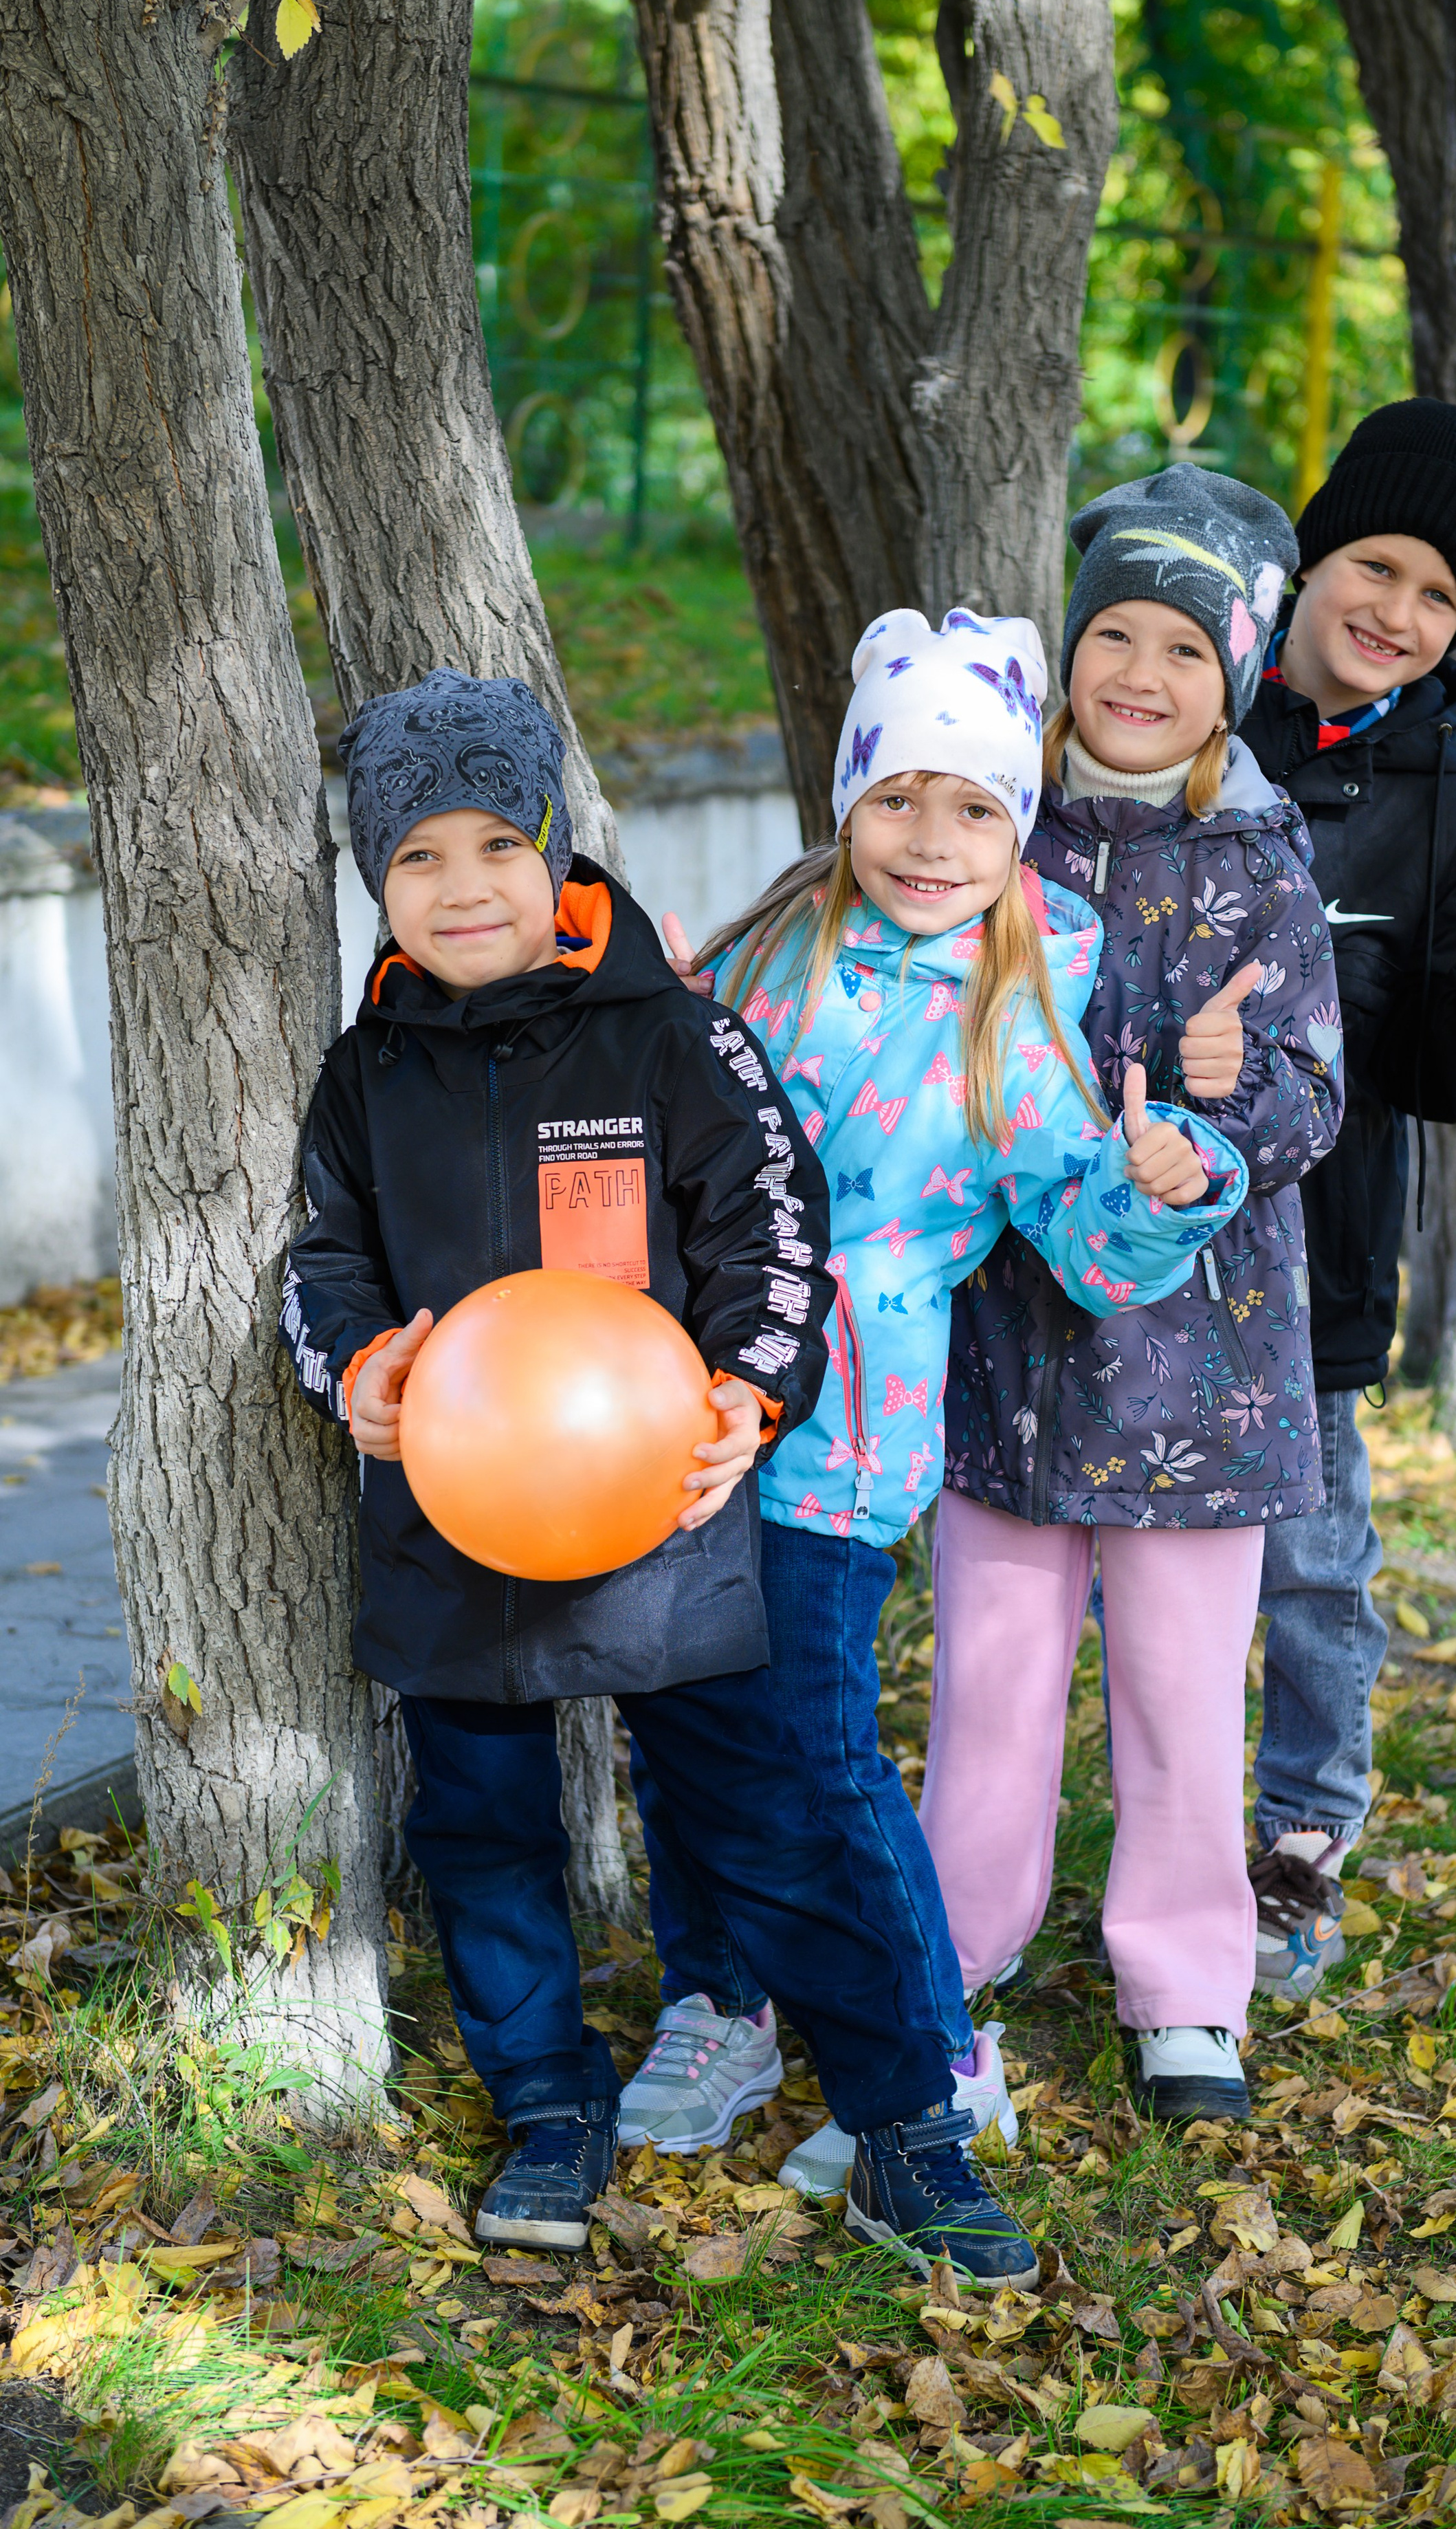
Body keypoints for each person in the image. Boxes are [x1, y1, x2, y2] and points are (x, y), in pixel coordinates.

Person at [280, 665, 1047, 2288]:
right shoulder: (365, 1076)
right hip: (449, 1522)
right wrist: (353, 1365)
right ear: (376, 881)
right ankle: (549, 2106)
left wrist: (751, 1400)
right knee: (483, 1833)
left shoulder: (677, 1034)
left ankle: (908, 2123)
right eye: (418, 857)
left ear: (556, 851)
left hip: (670, 1521)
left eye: (498, 843)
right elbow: (322, 1264)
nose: (464, 885)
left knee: (772, 1823)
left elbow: (777, 1245)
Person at [634, 608, 1250, 2191]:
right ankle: (718, 1998)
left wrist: (1163, 1184)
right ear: (845, 798)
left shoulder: (1035, 982)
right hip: (668, 1414)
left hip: (839, 1431)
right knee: (684, 1729)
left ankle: (933, 2055)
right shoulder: (773, 940)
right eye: (897, 794)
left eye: (974, 804)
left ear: (1017, 818)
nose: (930, 837)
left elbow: (1090, 1251)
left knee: (820, 1748)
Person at [935, 466, 1343, 2123]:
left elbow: (1311, 1087)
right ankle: (945, 1962)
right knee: (991, 1679)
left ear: (1227, 683)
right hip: (1007, 1351)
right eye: (1113, 631)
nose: (1139, 674)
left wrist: (1214, 1127)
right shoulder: (981, 836)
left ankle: (1184, 1989)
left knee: (1181, 1693)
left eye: (1183, 649)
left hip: (1206, 1369)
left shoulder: (1255, 853)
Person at [1238, 398, 1456, 1997]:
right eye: (1374, 564)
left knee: (1308, 1570)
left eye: (1438, 597)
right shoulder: (1187, 736)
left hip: (1318, 1268)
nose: (1398, 614)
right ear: (1307, 558)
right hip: (1121, 1246)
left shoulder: (1448, 806)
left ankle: (1298, 1841)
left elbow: (1447, 1060)